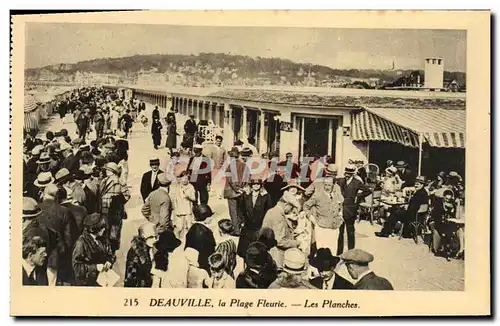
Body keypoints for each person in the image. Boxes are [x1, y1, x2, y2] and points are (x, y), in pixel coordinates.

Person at [38, 183, 78, 285]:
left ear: (44, 193)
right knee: (52, 285)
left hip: (35, 253)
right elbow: (69, 238)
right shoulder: (64, 211)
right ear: (56, 196)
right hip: (54, 256)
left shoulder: (36, 208)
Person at [22, 197, 59, 286]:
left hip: (33, 274)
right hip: (42, 272)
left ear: (22, 219)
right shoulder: (43, 228)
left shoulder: (28, 235)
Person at [303, 176, 344, 255]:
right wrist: (311, 217)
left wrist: (340, 216)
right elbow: (306, 206)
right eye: (325, 185)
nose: (327, 187)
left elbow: (341, 205)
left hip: (334, 227)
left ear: (333, 185)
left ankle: (331, 266)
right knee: (322, 249)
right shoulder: (318, 195)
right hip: (322, 227)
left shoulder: (337, 195)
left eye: (329, 185)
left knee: (333, 249)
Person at [72, 213, 116, 287]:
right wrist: (95, 267)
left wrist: (109, 261)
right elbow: (77, 268)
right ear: (94, 229)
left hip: (103, 281)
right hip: (87, 284)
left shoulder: (103, 239)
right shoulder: (81, 243)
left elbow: (110, 254)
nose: (104, 229)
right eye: (102, 227)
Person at [337, 164, 371, 255]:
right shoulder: (340, 181)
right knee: (340, 232)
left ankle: (351, 252)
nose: (347, 175)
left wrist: (358, 196)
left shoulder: (357, 182)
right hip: (340, 209)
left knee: (350, 231)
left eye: (349, 173)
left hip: (351, 209)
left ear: (352, 174)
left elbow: (368, 190)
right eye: (346, 173)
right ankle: (339, 252)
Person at [261, 192, 302, 268]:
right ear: (286, 204)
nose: (291, 210)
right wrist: (297, 243)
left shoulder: (272, 211)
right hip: (277, 257)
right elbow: (279, 241)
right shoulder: (278, 216)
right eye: (291, 207)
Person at [237, 177, 273, 258]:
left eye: (258, 184)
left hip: (259, 227)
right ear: (251, 185)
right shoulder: (245, 195)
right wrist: (242, 221)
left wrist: (265, 223)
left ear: (260, 185)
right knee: (245, 251)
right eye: (254, 184)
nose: (256, 186)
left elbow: (269, 210)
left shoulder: (265, 196)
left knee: (257, 251)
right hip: (247, 226)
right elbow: (239, 209)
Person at [99, 162, 131, 253]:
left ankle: (112, 252)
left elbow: (127, 195)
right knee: (105, 232)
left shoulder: (119, 182)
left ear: (112, 171)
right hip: (104, 211)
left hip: (115, 212)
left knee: (113, 234)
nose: (105, 171)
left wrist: (117, 201)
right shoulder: (104, 181)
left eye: (107, 169)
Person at [124, 222, 159, 288]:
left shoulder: (147, 249)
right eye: (151, 237)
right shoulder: (135, 252)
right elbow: (131, 277)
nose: (155, 240)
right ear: (144, 238)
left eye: (155, 237)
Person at [184, 204, 217, 273]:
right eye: (210, 216)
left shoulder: (193, 228)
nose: (211, 218)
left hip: (193, 263)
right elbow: (210, 250)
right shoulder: (206, 232)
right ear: (206, 218)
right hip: (203, 265)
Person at [223, 147, 247, 235]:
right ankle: (241, 225)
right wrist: (242, 188)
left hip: (232, 192)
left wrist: (236, 189)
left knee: (233, 211)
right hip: (241, 191)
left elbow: (230, 180)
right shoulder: (244, 165)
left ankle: (236, 230)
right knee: (240, 210)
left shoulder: (230, 166)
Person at [170, 171, 197, 240]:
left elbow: (194, 199)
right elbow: (172, 199)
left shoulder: (191, 187)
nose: (184, 180)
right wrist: (175, 210)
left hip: (188, 210)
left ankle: (189, 241)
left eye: (186, 178)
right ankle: (177, 240)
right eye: (183, 178)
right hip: (179, 210)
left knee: (189, 227)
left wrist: (188, 197)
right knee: (179, 227)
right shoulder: (176, 187)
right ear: (180, 179)